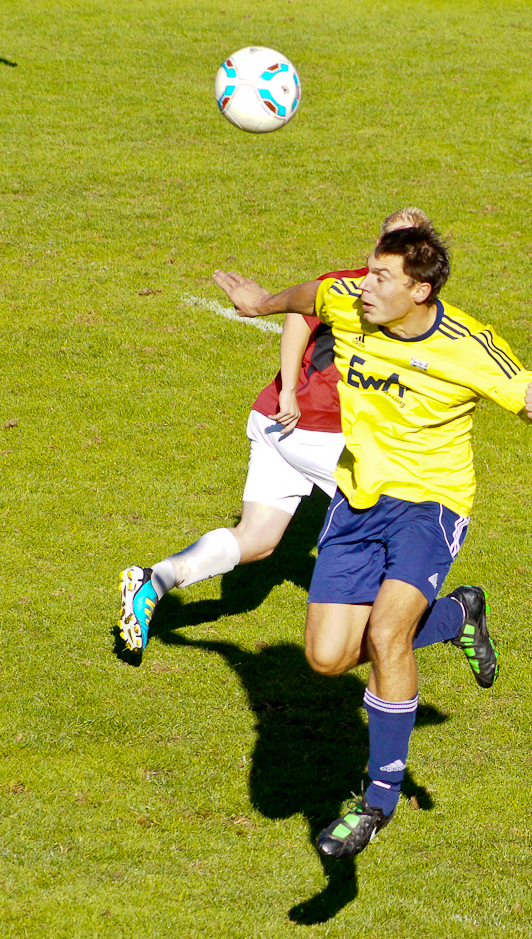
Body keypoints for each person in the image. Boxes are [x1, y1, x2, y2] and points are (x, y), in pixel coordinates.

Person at [217, 224, 532, 859]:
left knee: (387, 632)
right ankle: (457, 614)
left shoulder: (471, 347)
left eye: (380, 277)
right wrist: (261, 303)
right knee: (327, 659)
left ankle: (378, 797)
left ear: (419, 290)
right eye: (368, 270)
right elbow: (311, 295)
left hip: (430, 504)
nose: (364, 285)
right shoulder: (348, 302)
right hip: (357, 499)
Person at [118, 208, 432, 654]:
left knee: (258, 539)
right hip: (314, 429)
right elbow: (298, 317)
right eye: (389, 246)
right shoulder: (348, 289)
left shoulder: (402, 306)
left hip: (277, 423)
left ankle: (152, 581)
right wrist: (288, 389)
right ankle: (436, 618)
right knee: (393, 521)